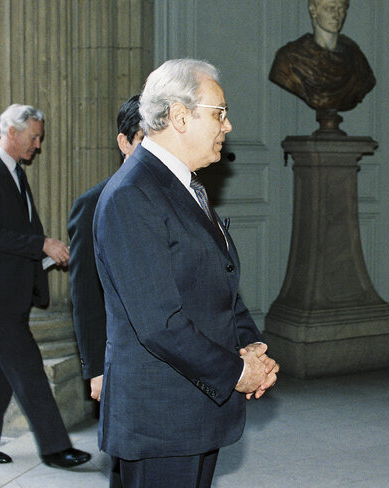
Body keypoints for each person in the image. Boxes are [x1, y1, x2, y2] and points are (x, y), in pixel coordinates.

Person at [93, 59, 279, 488]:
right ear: (179, 116)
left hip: (191, 410)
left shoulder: (181, 184)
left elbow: (216, 283)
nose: (227, 126)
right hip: (161, 422)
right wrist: (236, 371)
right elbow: (160, 324)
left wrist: (250, 342)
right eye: (219, 113)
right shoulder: (133, 195)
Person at [0, 104, 91, 468]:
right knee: (29, 367)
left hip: (11, 289)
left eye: (39, 138)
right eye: (33, 137)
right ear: (11, 132)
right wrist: (42, 245)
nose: (37, 145)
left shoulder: (15, 173)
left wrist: (50, 255)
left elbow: (21, 230)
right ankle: (54, 448)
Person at [67, 95, 143, 487]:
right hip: (120, 361)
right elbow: (85, 295)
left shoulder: (183, 196)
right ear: (124, 143)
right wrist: (95, 368)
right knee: (125, 465)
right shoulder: (93, 204)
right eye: (143, 140)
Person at [269, 0, 375, 112]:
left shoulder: (356, 59)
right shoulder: (290, 58)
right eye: (330, 8)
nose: (336, 15)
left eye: (341, 9)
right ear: (314, 11)